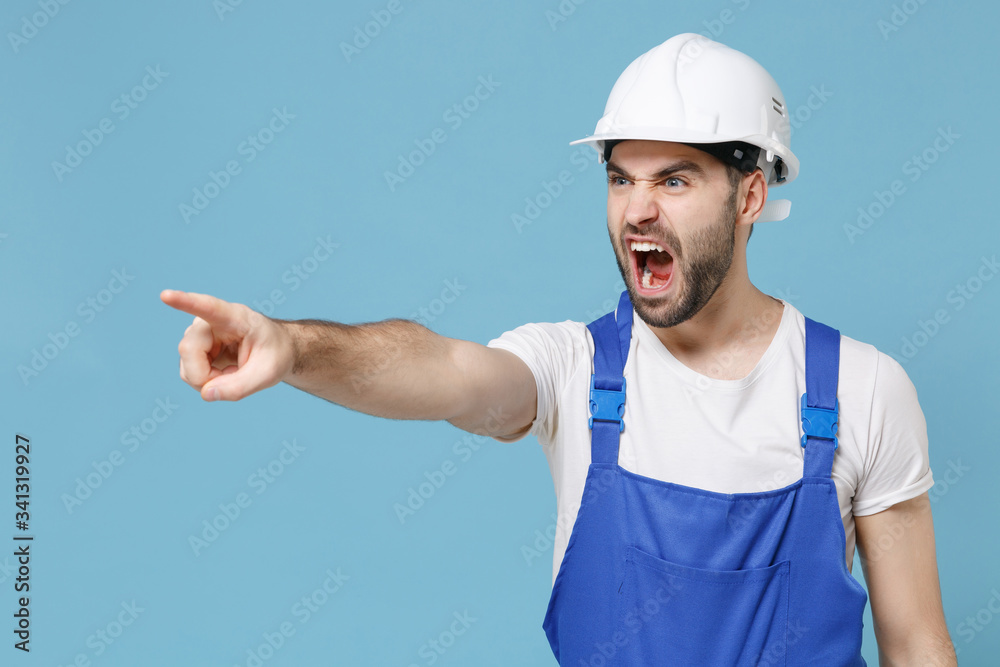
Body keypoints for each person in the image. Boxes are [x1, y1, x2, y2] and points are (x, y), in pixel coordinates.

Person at [162, 33, 956, 666]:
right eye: (620, 179)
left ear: (750, 194)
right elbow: (438, 367)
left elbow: (918, 646)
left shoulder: (862, 391)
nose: (637, 210)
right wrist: (294, 346)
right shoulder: (574, 373)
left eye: (674, 181)